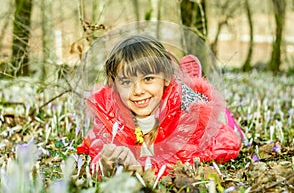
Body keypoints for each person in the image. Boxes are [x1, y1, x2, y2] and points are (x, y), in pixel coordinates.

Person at [76, 34, 242, 176]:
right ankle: (182, 74)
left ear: (165, 78)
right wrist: (104, 163)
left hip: (200, 118)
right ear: (114, 85)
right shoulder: (111, 111)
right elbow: (96, 145)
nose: (138, 90)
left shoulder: (187, 113)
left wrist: (140, 168)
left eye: (148, 79)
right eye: (126, 82)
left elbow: (180, 158)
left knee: (224, 129)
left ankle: (189, 82)